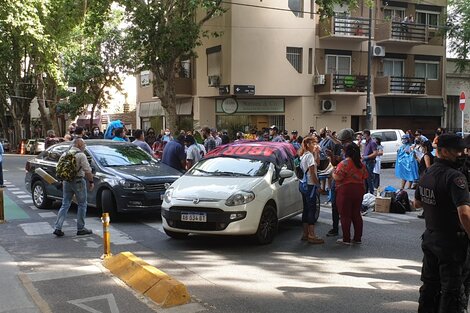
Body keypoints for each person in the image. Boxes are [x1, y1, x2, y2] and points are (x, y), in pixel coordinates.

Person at [414, 133, 470, 312]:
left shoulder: (427, 173)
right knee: (452, 292)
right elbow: (464, 214)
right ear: (444, 151)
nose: (461, 154)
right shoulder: (455, 177)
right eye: (457, 151)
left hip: (430, 239)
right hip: (452, 243)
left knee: (429, 287)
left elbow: (417, 203)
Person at [53, 138, 94, 237]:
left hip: (67, 181)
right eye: (84, 144)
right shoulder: (81, 155)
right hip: (78, 181)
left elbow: (59, 167)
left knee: (65, 204)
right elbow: (87, 170)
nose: (85, 146)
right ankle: (81, 228)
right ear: (79, 144)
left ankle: (58, 227)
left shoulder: (65, 154)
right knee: (82, 204)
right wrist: (91, 181)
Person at [333, 143, 368, 245]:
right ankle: (357, 238)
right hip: (359, 189)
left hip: (345, 190)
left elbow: (338, 177)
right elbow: (365, 176)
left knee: (345, 215)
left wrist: (332, 172)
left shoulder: (344, 163)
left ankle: (346, 239)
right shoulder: (361, 164)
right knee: (356, 214)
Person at [325, 127, 355, 237]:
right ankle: (336, 228)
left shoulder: (353, 149)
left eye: (344, 141)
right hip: (338, 181)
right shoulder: (340, 147)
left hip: (344, 181)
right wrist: (332, 156)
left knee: (345, 207)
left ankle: (346, 233)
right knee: (335, 205)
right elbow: (335, 162)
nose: (342, 144)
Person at [298, 136, 324, 244]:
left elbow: (317, 163)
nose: (316, 145)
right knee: (311, 209)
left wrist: (317, 153)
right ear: (308, 144)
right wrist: (318, 186)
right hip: (310, 185)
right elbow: (313, 173)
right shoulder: (309, 157)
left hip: (303, 184)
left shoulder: (304, 155)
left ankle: (305, 233)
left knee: (306, 208)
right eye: (313, 143)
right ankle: (312, 235)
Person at [416, 140, 435, 219]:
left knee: (423, 195)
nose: (421, 148)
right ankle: (425, 212)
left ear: (425, 147)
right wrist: (416, 158)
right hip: (424, 175)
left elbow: (428, 166)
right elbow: (422, 162)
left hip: (424, 176)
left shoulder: (427, 155)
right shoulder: (428, 155)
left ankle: (426, 212)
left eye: (422, 147)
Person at [362, 129, 378, 194]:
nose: (362, 135)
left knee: (369, 179)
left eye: (363, 134)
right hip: (365, 161)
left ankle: (371, 193)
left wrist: (366, 157)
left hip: (370, 162)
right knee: (365, 179)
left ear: (366, 134)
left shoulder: (372, 142)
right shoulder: (366, 142)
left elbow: (375, 153)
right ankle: (366, 193)